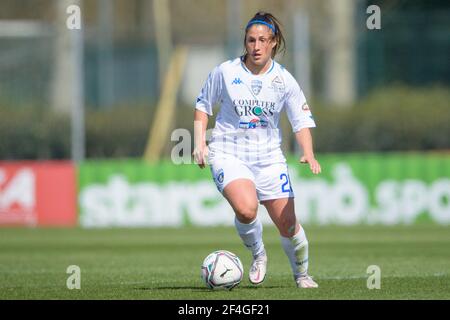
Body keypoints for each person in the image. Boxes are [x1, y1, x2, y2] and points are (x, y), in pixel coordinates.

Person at [193, 11, 321, 288]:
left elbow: (300, 120)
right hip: (228, 152)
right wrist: (199, 143)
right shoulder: (225, 72)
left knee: (288, 224)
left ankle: (302, 275)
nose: (256, 46)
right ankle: (259, 254)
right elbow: (203, 105)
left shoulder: (284, 80)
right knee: (247, 209)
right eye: (251, 40)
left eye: (263, 40)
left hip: (269, 158)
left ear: (273, 42)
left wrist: (308, 152)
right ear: (245, 43)